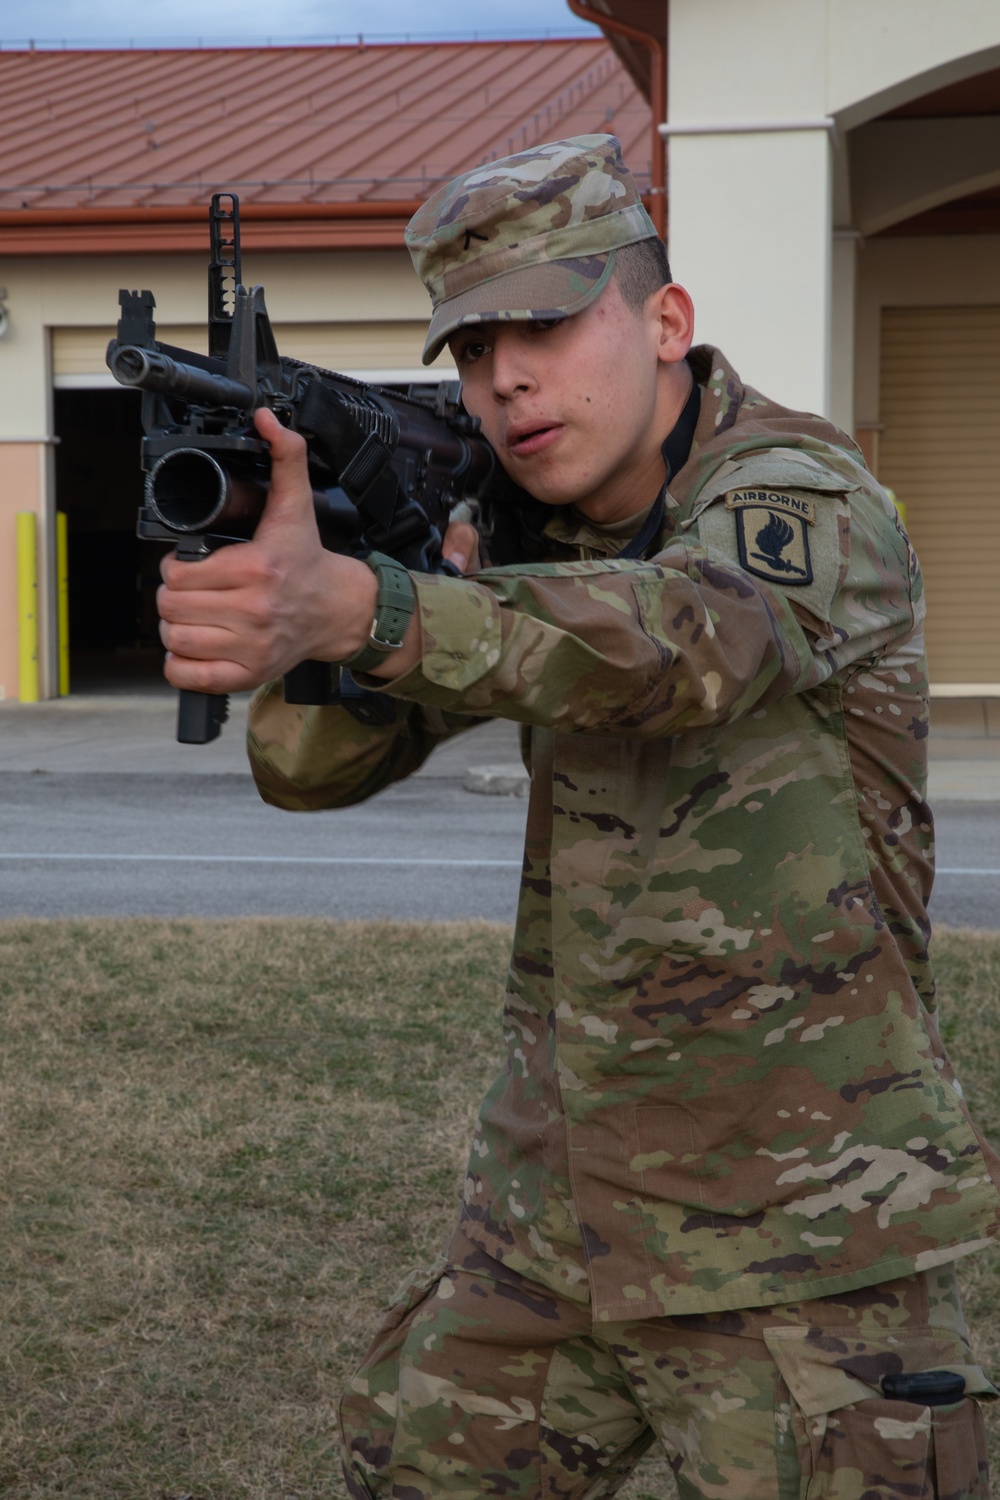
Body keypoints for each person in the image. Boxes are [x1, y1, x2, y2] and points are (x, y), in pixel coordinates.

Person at [156, 136, 1000, 1498]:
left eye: (544, 323)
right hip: (555, 1219)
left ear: (667, 321)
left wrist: (371, 605)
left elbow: (689, 641)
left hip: (805, 1234)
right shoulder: (521, 544)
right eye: (472, 349)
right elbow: (304, 766)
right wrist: (353, 587)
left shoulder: (801, 492)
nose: (506, 379)